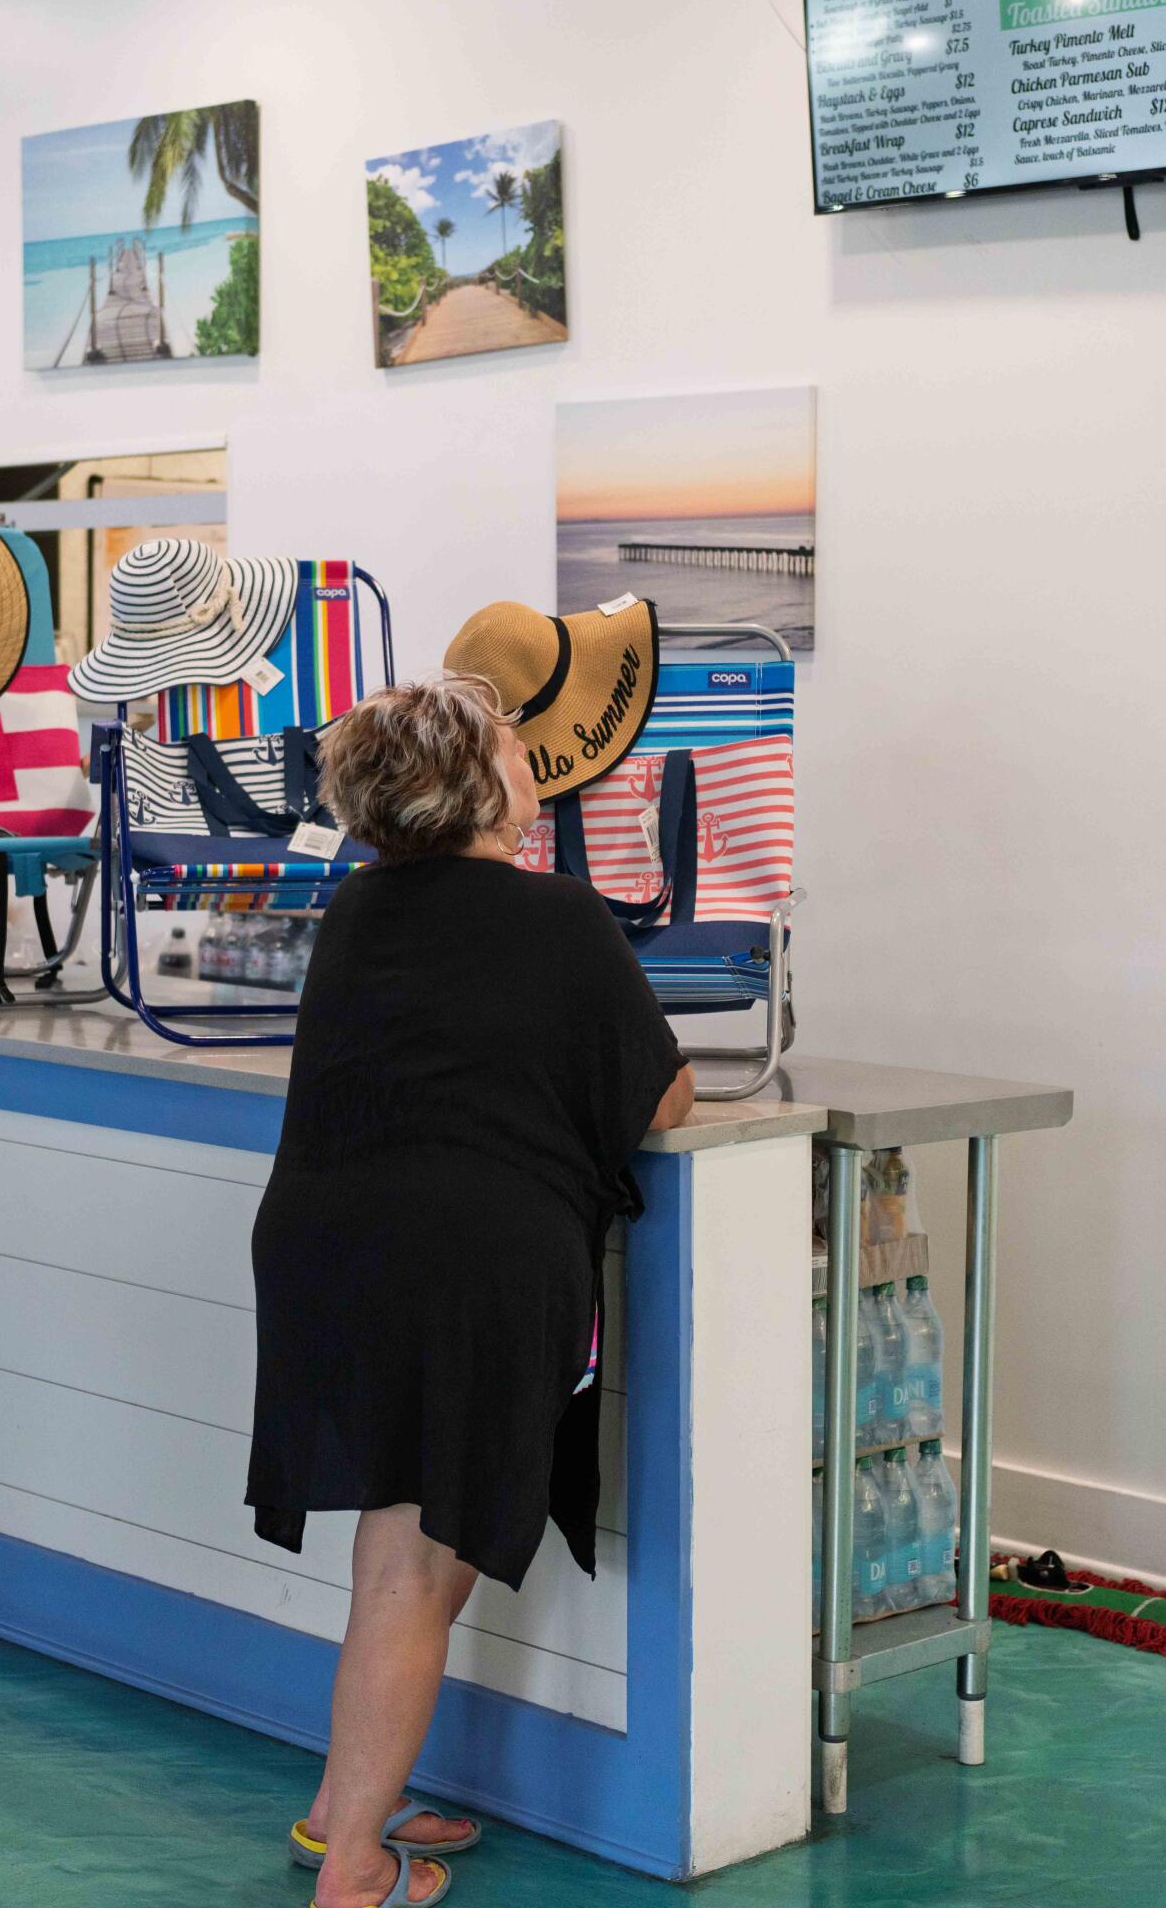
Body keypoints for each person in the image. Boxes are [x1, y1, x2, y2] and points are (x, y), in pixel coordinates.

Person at [245, 672, 693, 1908]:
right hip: (465, 1258)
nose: (528, 753)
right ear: (480, 782)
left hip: (323, 1244)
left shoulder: (356, 910)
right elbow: (661, 1099)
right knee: (416, 1570)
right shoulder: (556, 918)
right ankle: (353, 1871)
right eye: (510, 740)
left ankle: (344, 1804)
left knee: (388, 1537)